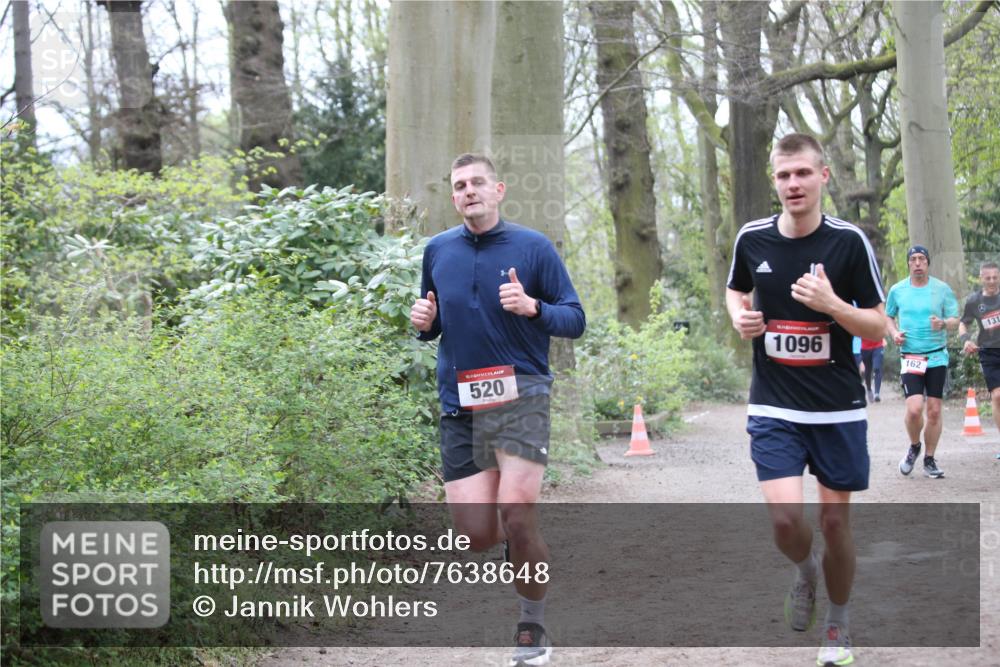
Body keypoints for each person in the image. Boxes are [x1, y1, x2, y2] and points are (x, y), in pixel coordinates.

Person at [410, 153, 585, 667]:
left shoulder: (533, 248)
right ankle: (513, 541)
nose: (469, 191)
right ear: (454, 196)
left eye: (478, 182)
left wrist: (533, 307)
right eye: (459, 185)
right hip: (460, 399)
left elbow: (574, 319)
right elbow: (434, 321)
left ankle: (531, 625)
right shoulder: (438, 250)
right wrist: (424, 321)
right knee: (476, 535)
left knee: (517, 510)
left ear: (499, 189)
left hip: (522, 392)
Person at [727, 133, 885, 667]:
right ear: (774, 180)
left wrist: (833, 304)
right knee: (785, 521)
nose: (792, 184)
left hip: (837, 406)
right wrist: (739, 316)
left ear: (824, 177)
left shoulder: (849, 243)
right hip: (774, 403)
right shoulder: (752, 239)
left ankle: (839, 624)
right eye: (783, 175)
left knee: (836, 524)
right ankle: (805, 573)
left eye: (802, 173)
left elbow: (879, 327)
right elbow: (735, 288)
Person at [885, 245, 960, 479]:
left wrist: (944, 324)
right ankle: (914, 446)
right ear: (908, 263)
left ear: (928, 263)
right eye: (914, 259)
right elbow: (888, 316)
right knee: (915, 409)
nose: (918, 263)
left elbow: (956, 320)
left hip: (937, 355)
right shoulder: (897, 290)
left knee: (935, 411)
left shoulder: (941, 289)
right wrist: (894, 333)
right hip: (911, 357)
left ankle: (929, 459)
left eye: (922, 259)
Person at [959, 261, 1000, 449]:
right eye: (988, 278)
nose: (992, 281)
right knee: (998, 396)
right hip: (988, 353)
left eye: (995, 277)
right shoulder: (974, 301)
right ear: (981, 278)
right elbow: (963, 324)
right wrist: (966, 340)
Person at [860, 337, 885, 402]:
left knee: (877, 368)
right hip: (865, 348)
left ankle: (877, 393)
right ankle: (869, 389)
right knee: (868, 370)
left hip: (878, 346)